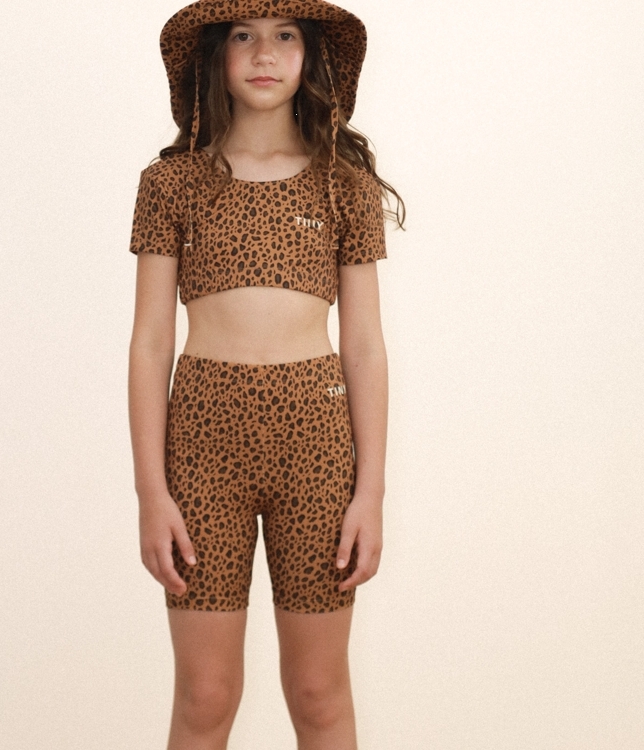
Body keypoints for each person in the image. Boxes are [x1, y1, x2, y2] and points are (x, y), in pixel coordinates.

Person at [128, 1, 404, 747]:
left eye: (285, 37)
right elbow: (150, 343)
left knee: (318, 692)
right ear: (215, 56)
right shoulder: (173, 184)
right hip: (202, 447)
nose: (264, 54)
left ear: (310, 57)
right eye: (243, 37)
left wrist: (371, 492)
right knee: (205, 696)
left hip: (315, 447)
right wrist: (152, 492)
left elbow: (365, 347)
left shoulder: (343, 186)